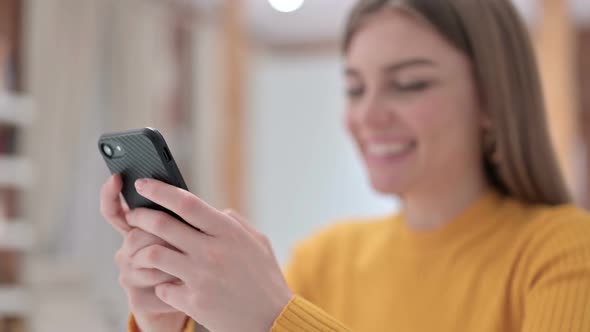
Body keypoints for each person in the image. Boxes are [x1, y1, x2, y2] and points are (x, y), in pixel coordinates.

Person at [100, 0, 590, 331]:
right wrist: (169, 321)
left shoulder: (565, 252)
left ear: (491, 100)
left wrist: (277, 317)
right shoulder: (326, 258)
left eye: (410, 84)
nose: (368, 116)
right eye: (355, 88)